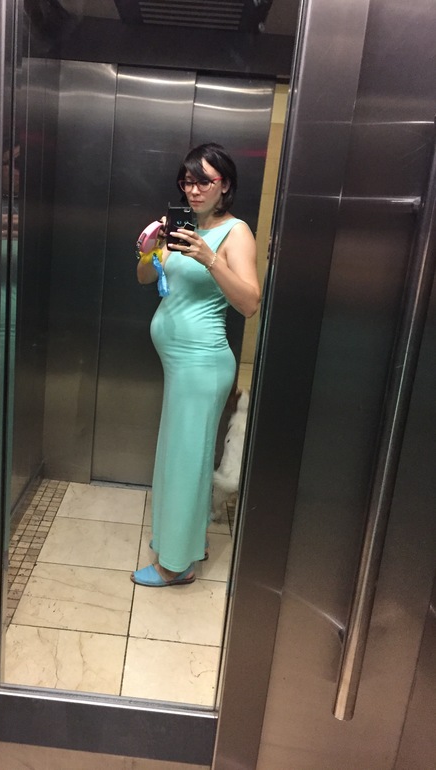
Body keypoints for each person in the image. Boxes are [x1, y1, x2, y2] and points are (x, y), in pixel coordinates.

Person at [132, 142, 260, 587]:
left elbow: (249, 303)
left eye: (204, 181)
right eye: (187, 181)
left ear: (225, 185)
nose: (194, 189)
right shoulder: (182, 228)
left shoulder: (235, 233)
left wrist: (210, 259)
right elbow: (146, 278)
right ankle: (189, 541)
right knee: (184, 454)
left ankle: (175, 565)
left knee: (185, 458)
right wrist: (149, 248)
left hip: (203, 364)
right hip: (180, 365)